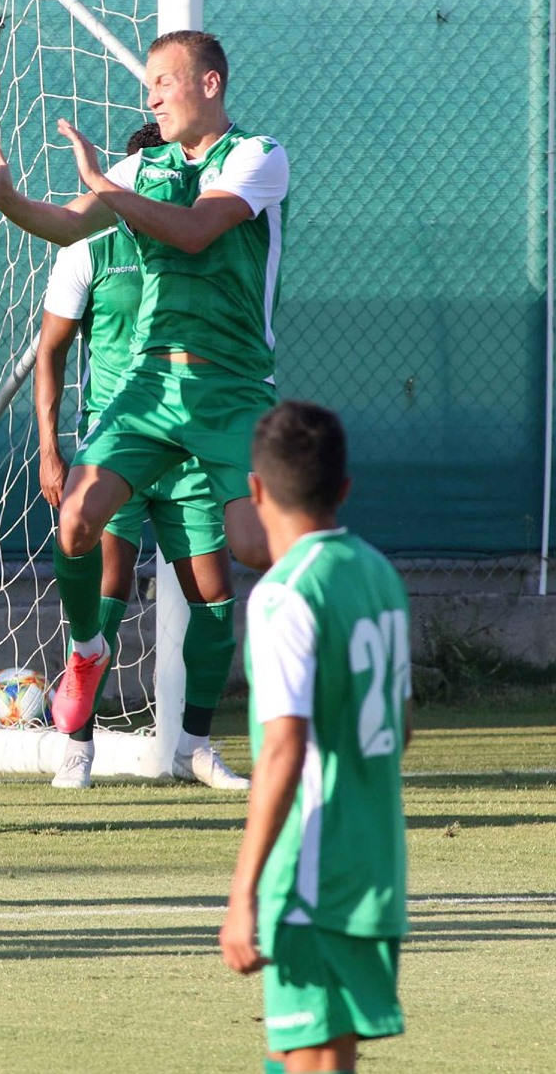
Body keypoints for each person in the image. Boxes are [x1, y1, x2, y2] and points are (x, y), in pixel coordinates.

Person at [0, 30, 285, 784]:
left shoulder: (258, 155)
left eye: (163, 82)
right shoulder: (140, 167)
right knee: (76, 520)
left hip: (232, 388)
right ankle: (85, 651)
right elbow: (69, 226)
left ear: (209, 83)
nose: (151, 98)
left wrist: (103, 183)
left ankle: (216, 731)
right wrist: (5, 196)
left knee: (251, 550)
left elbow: (200, 231)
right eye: (148, 86)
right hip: (144, 388)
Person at [33, 122, 247, 790]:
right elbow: (52, 351)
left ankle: (194, 748)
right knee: (106, 595)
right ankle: (77, 746)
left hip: (188, 448)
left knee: (213, 597)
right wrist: (50, 446)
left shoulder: (204, 247)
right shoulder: (90, 247)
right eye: (150, 174)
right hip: (119, 441)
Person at [221, 401, 409, 1073]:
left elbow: (283, 747)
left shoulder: (283, 595)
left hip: (311, 871)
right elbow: (400, 724)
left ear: (256, 490)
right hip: (374, 860)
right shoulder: (380, 574)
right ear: (345, 489)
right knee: (311, 1054)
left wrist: (243, 891)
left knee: (311, 1058)